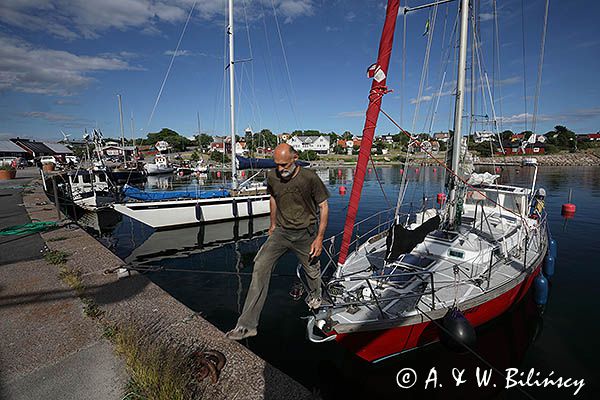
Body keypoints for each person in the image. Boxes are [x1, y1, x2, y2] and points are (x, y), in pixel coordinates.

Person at [226, 143, 329, 340]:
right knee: (259, 267)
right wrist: (272, 224)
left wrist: (319, 238)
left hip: (305, 233)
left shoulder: (310, 178)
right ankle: (247, 325)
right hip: (281, 232)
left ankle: (316, 296)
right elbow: (273, 198)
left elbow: (324, 206)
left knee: (312, 270)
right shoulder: (272, 176)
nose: (280, 169)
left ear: (295, 158)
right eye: (277, 164)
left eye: (284, 164)